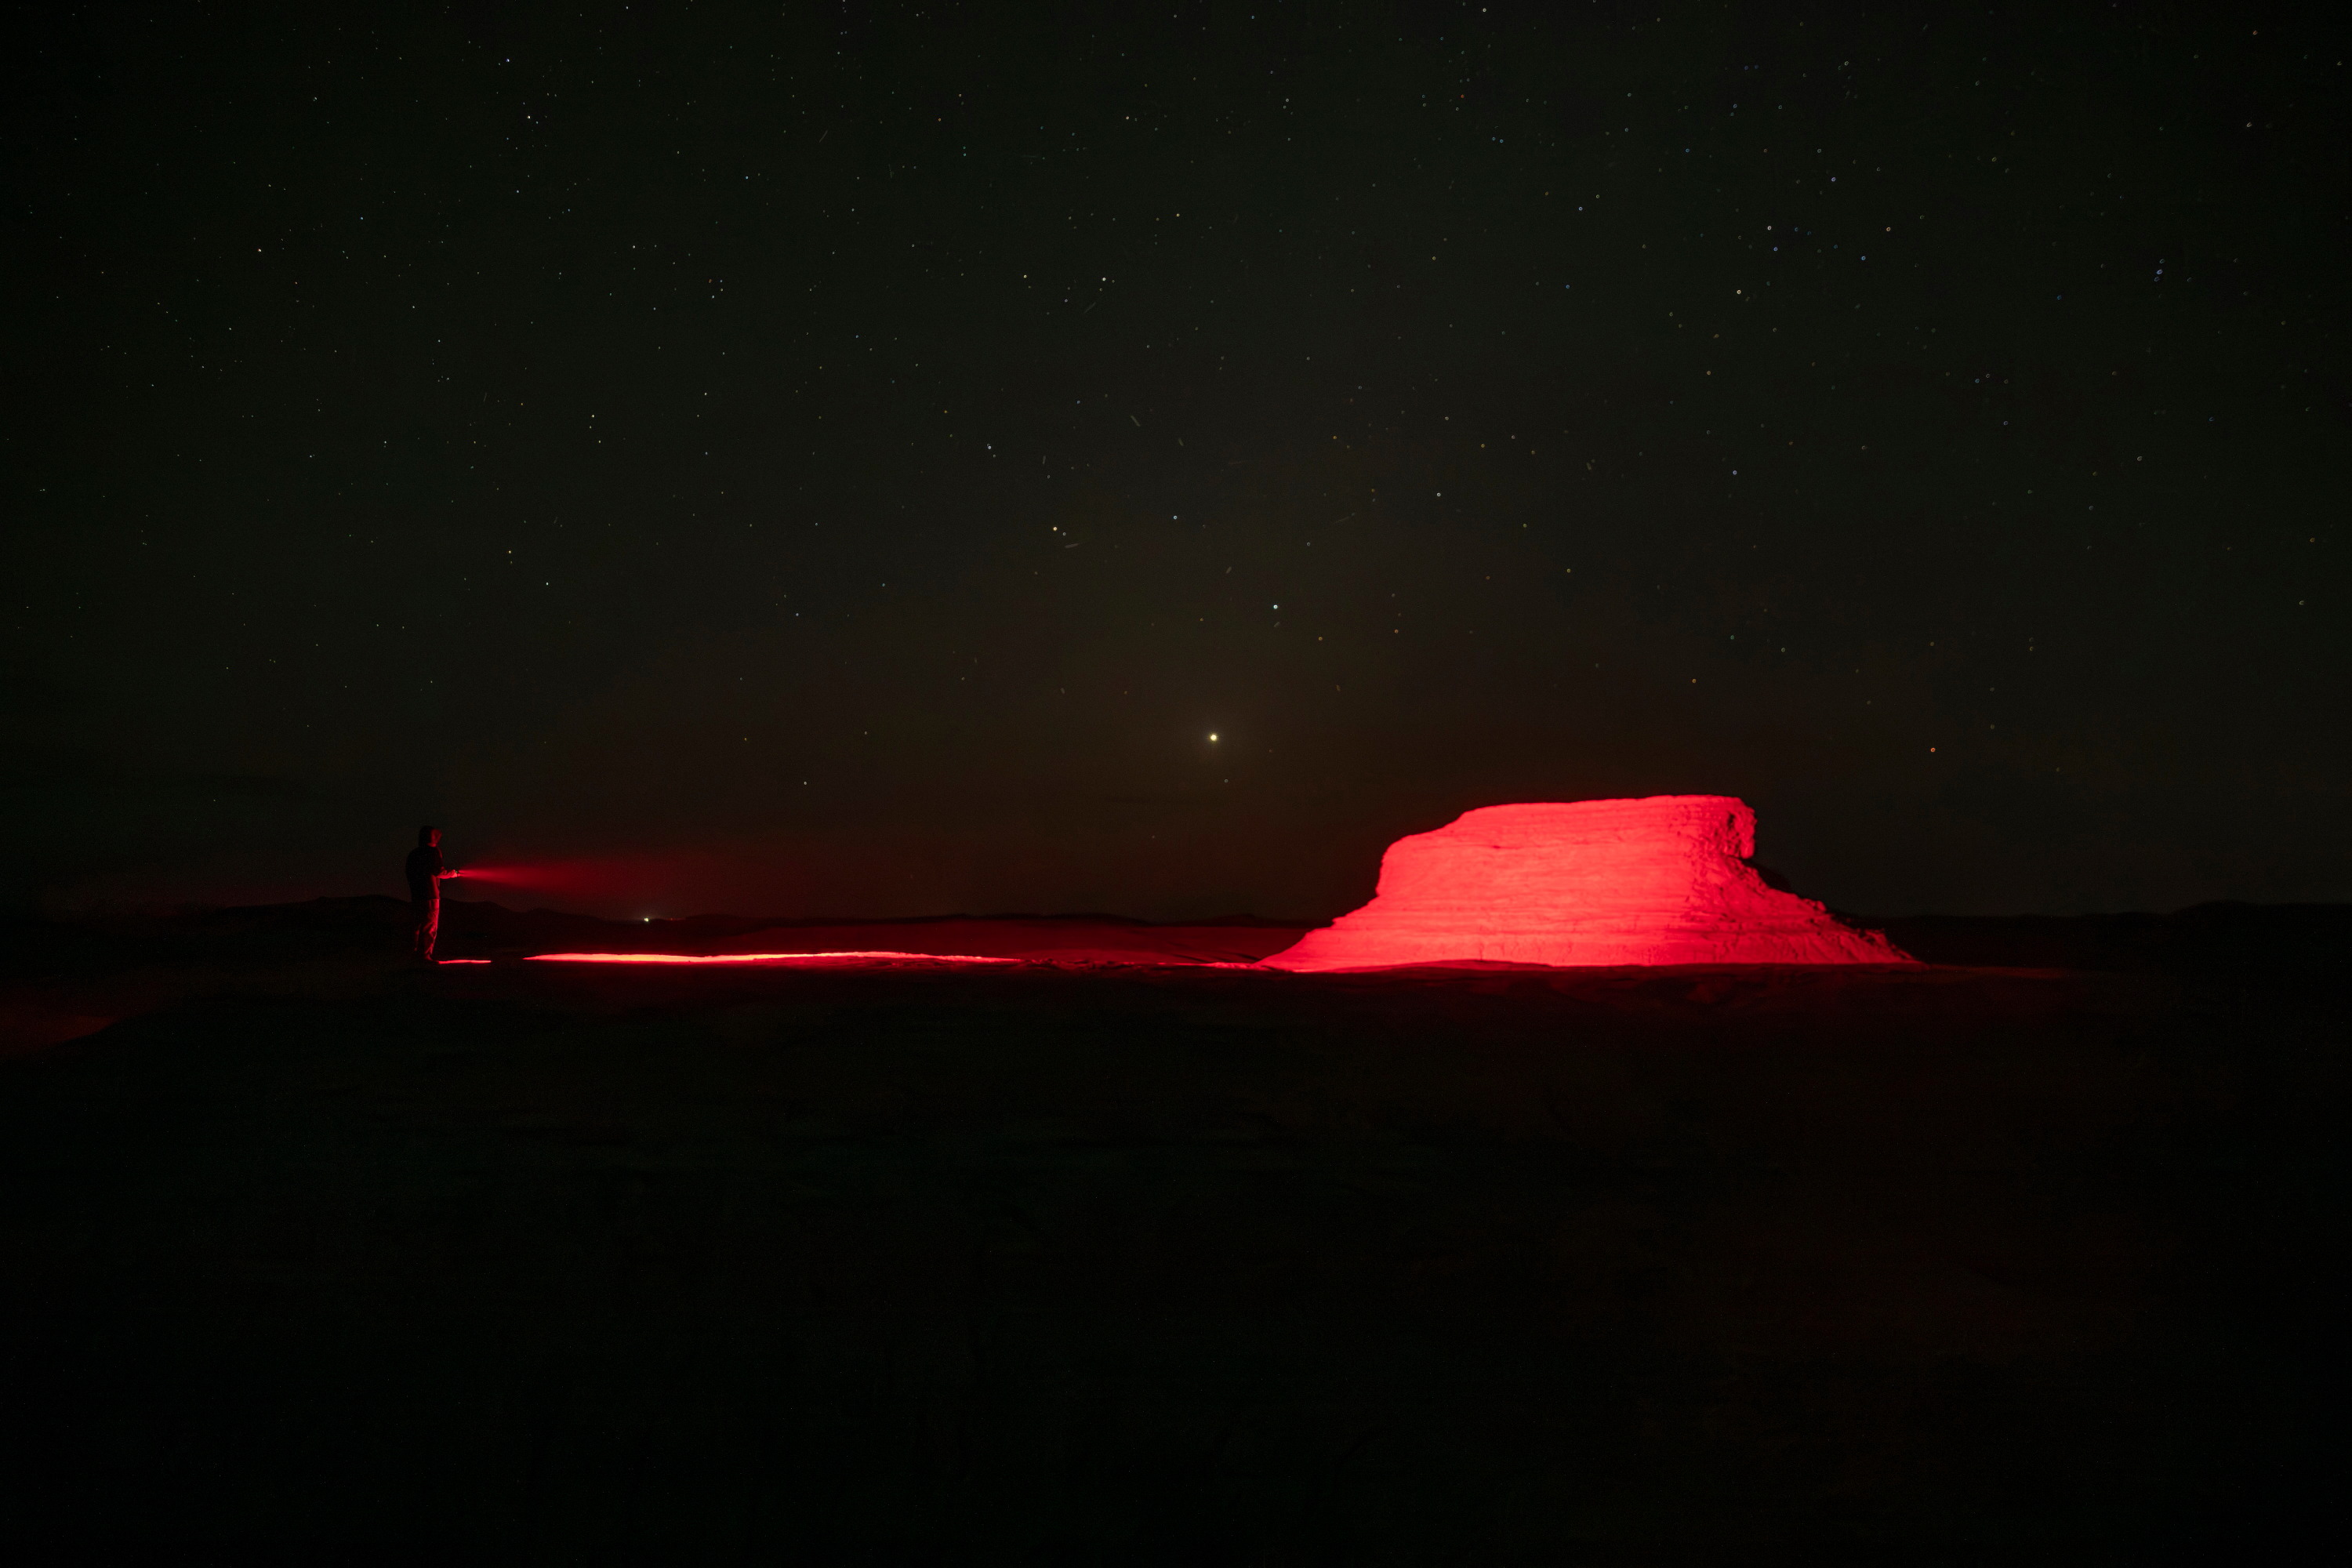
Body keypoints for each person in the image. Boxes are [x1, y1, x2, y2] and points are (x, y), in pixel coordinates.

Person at [405, 826, 459, 962]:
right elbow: (438, 871)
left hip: (416, 895)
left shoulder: (413, 854)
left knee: (417, 926)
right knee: (430, 926)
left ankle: (414, 955)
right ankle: (425, 957)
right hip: (430, 895)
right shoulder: (433, 851)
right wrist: (452, 874)